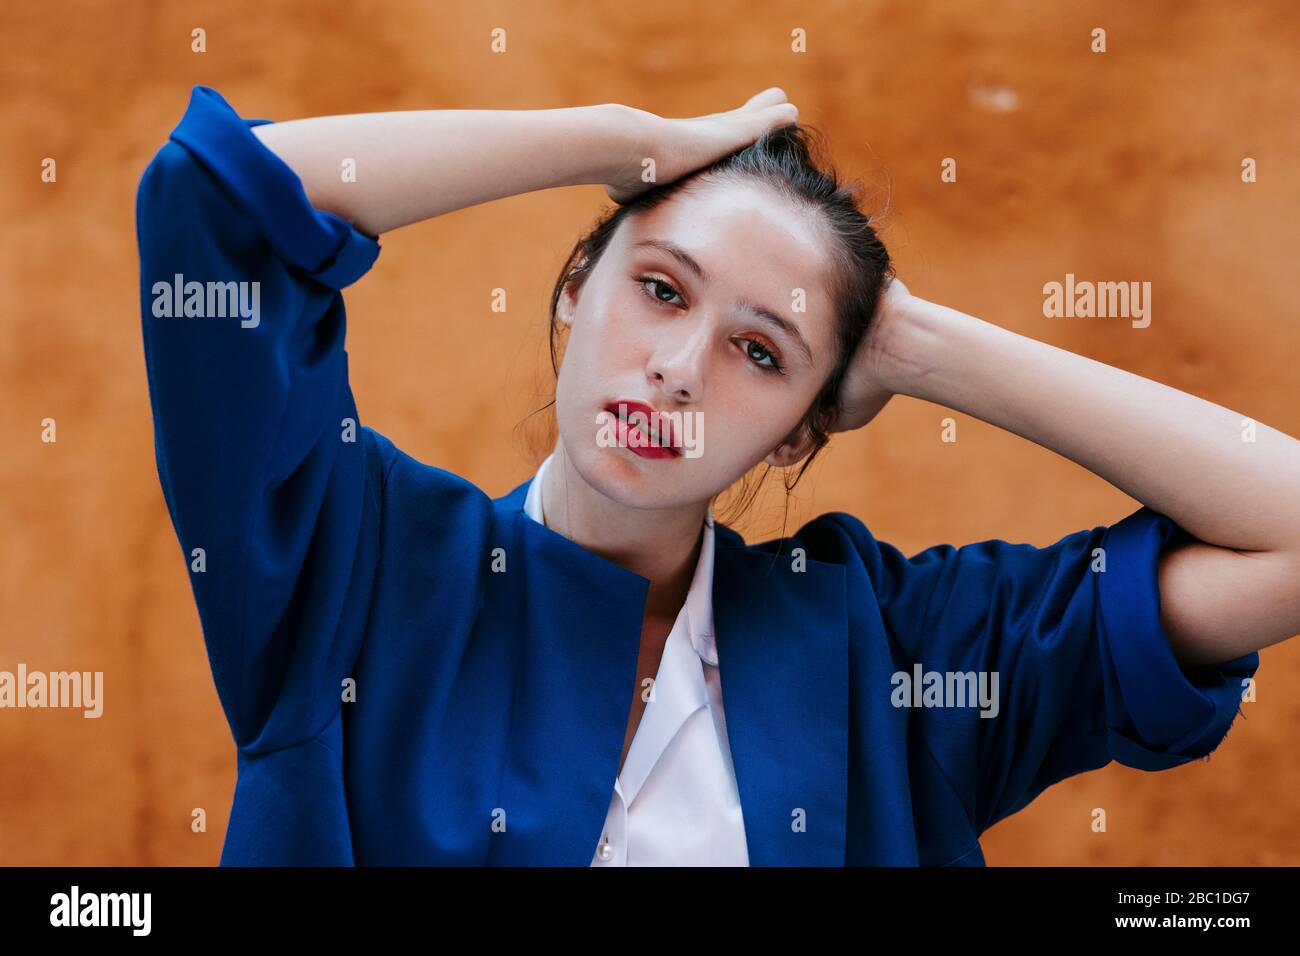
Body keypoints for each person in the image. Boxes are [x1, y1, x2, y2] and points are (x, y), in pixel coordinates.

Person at [135, 84, 1295, 867]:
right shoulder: (362, 571)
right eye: (658, 288)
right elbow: (213, 201)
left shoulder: (892, 652)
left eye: (761, 352)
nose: (680, 370)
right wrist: (609, 142)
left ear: (800, 430)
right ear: (570, 292)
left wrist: (914, 347)